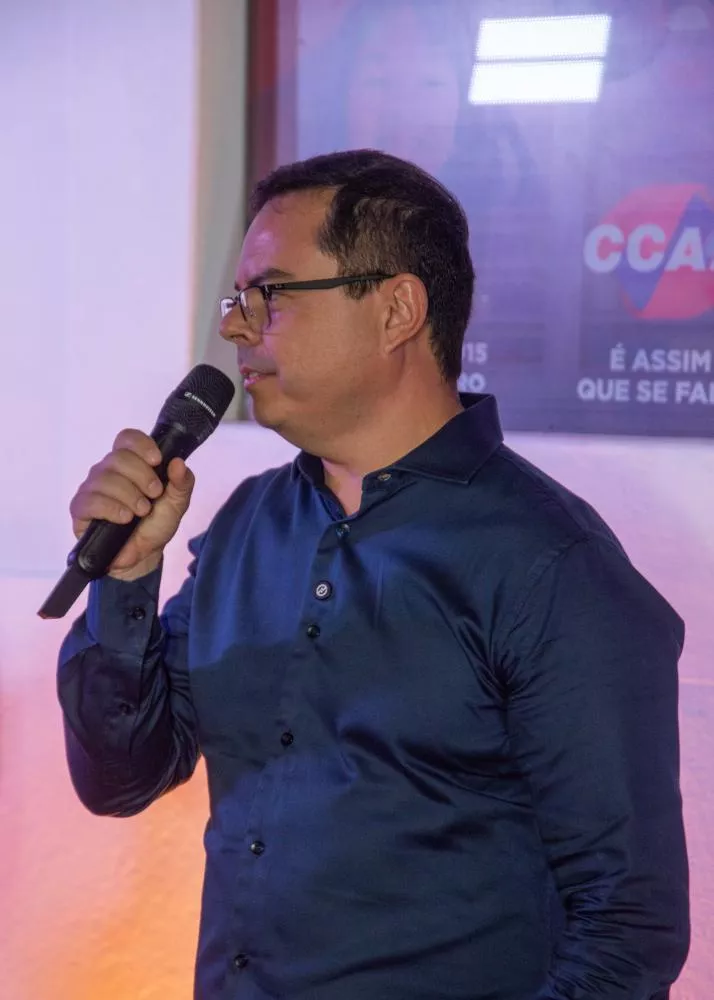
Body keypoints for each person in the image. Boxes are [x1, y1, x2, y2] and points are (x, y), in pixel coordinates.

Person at [57, 149, 689, 1000]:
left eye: (270, 294)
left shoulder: (548, 564)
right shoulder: (248, 526)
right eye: (237, 300)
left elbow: (627, 927)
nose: (237, 329)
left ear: (397, 311)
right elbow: (121, 778)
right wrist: (127, 578)